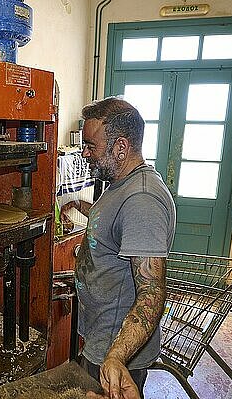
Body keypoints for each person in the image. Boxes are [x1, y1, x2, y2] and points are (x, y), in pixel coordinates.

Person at [61, 98, 176, 399]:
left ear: (121, 147)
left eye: (91, 145)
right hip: (102, 336)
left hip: (116, 351)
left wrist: (116, 357)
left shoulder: (142, 201)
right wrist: (76, 205)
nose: (84, 153)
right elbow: (111, 227)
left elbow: (152, 294)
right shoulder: (121, 184)